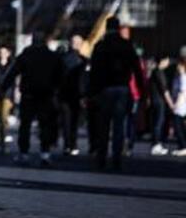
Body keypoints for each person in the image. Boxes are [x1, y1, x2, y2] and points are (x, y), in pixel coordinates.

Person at [87, 17, 145, 171]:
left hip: (104, 89)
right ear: (118, 28)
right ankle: (116, 158)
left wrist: (91, 93)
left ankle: (101, 158)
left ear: (106, 28)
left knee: (103, 125)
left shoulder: (100, 46)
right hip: (122, 88)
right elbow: (137, 69)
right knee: (119, 125)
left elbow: (94, 71)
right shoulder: (126, 45)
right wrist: (142, 90)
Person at [2, 32, 64, 167]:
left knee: (25, 125)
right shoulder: (52, 56)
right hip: (46, 95)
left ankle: (24, 153)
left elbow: (13, 72)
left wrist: (3, 88)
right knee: (45, 125)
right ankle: (45, 153)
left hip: (29, 94)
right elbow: (60, 75)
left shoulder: (26, 55)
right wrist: (57, 92)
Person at [59, 34, 88, 156]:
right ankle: (72, 144)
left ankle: (68, 145)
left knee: (68, 120)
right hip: (75, 95)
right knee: (73, 121)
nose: (76, 44)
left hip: (66, 94)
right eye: (75, 42)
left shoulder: (62, 59)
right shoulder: (84, 61)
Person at [149, 57, 174, 155]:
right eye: (167, 60)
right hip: (159, 101)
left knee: (157, 122)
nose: (168, 62)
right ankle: (156, 145)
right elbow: (164, 90)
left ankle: (156, 144)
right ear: (162, 61)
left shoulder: (155, 72)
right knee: (158, 123)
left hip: (155, 100)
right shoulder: (159, 72)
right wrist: (171, 103)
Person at [168, 49, 186, 156]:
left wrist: (176, 105)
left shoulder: (183, 74)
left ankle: (183, 146)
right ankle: (182, 146)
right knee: (180, 125)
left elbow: (182, 90)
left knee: (178, 125)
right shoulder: (181, 72)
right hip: (182, 102)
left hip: (181, 103)